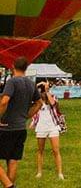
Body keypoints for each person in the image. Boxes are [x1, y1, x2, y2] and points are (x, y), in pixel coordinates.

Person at [0, 57, 43, 188]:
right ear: (26, 68)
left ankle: (9, 186)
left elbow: (4, 101)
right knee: (13, 160)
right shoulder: (31, 84)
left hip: (6, 127)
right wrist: (27, 115)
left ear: (13, 66)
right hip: (20, 128)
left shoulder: (12, 82)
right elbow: (39, 103)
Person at [31, 81, 64, 180]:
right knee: (40, 150)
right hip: (41, 127)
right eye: (41, 90)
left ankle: (60, 173)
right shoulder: (37, 100)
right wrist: (35, 86)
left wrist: (47, 91)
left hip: (53, 126)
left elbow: (53, 104)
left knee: (56, 150)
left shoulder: (53, 96)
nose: (42, 92)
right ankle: (39, 172)